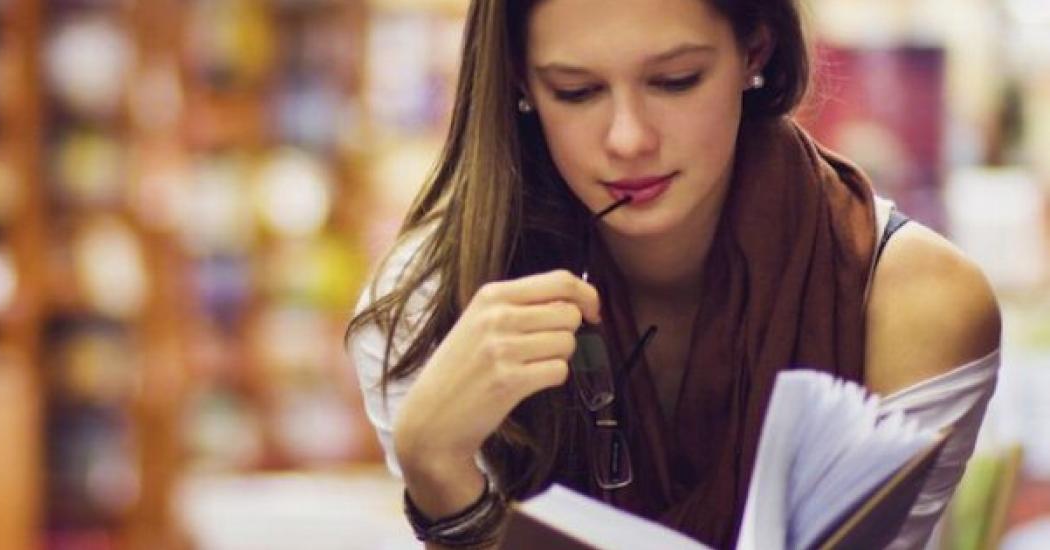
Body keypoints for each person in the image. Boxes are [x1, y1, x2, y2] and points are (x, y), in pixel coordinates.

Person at [346, 0, 1002, 548]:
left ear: (755, 51)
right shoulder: (429, 304)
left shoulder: (917, 303)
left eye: (676, 79)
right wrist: (436, 473)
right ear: (520, 83)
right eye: (575, 91)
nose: (628, 139)